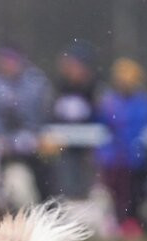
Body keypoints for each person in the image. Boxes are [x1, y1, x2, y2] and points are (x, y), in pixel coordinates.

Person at [0, 45, 54, 205]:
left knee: (21, 190)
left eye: (8, 60)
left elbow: (36, 122)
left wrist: (18, 142)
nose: (5, 65)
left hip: (25, 159)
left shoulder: (35, 85)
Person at [96, 58, 147, 239]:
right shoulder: (109, 101)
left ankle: (131, 223)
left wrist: (128, 148)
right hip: (113, 158)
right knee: (113, 193)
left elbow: (138, 128)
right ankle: (116, 223)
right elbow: (104, 124)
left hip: (133, 159)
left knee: (133, 193)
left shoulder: (143, 103)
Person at [52, 42, 100, 199]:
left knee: (88, 188)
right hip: (65, 148)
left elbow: (101, 119)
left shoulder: (94, 89)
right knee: (66, 186)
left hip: (87, 150)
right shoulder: (59, 88)